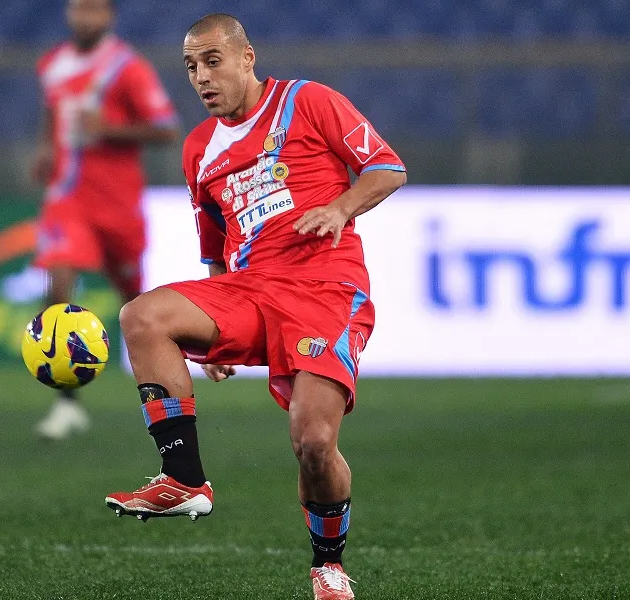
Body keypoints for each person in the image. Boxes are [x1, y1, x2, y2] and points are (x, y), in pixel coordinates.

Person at [105, 13, 406, 600]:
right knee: (142, 316)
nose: (201, 77)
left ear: (248, 57)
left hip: (326, 288)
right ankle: (183, 479)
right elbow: (215, 246)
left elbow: (388, 169)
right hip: (250, 289)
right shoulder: (198, 149)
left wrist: (341, 208)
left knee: (314, 443)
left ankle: (328, 565)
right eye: (191, 66)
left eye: (212, 61)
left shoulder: (307, 101)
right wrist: (211, 330)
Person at [31, 0, 179, 439]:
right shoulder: (53, 64)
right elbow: (52, 111)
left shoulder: (126, 68)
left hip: (117, 204)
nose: (85, 17)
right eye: (79, 8)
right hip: (67, 198)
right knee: (59, 284)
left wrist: (109, 129)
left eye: (95, 9)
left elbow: (166, 128)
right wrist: (45, 148)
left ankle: (163, 394)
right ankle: (66, 403)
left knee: (135, 303)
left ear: (110, 17)